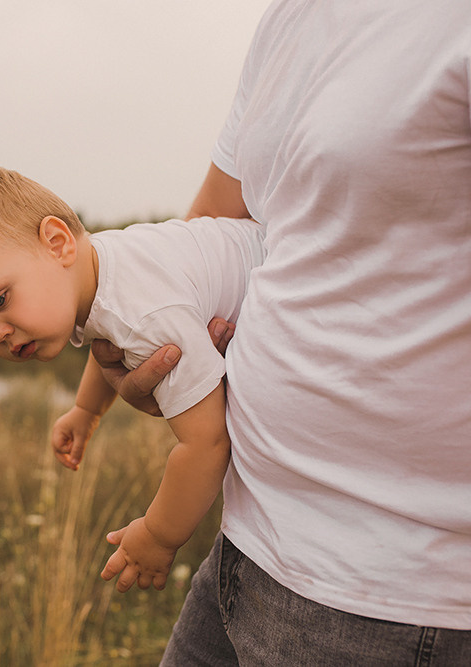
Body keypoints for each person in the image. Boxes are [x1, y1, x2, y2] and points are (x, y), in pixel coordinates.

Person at [93, 0, 471, 662]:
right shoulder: (289, 19)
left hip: (392, 597)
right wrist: (137, 351)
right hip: (248, 537)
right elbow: (214, 218)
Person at [0, 165, 264, 591]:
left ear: (57, 244)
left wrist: (157, 535)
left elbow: (207, 443)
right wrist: (86, 411)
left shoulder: (145, 316)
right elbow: (106, 335)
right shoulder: (102, 265)